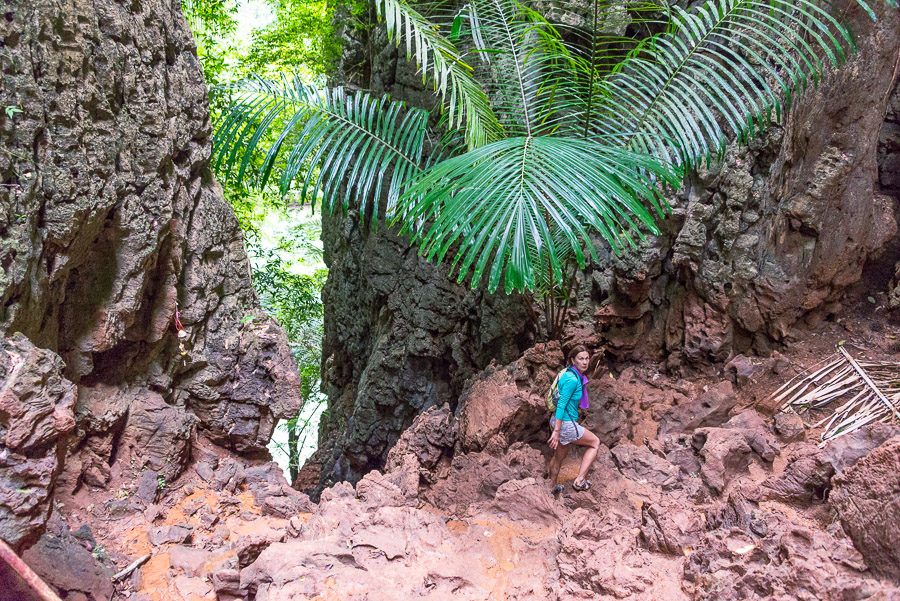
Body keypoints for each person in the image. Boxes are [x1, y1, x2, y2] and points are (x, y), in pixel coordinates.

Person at [547, 345, 600, 494]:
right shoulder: (572, 380)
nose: (584, 362)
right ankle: (579, 481)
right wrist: (557, 431)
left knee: (559, 456)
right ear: (572, 360)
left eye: (587, 358)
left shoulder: (569, 374)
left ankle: (551, 487)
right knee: (595, 443)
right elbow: (561, 405)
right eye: (580, 359)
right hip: (565, 424)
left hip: (558, 421)